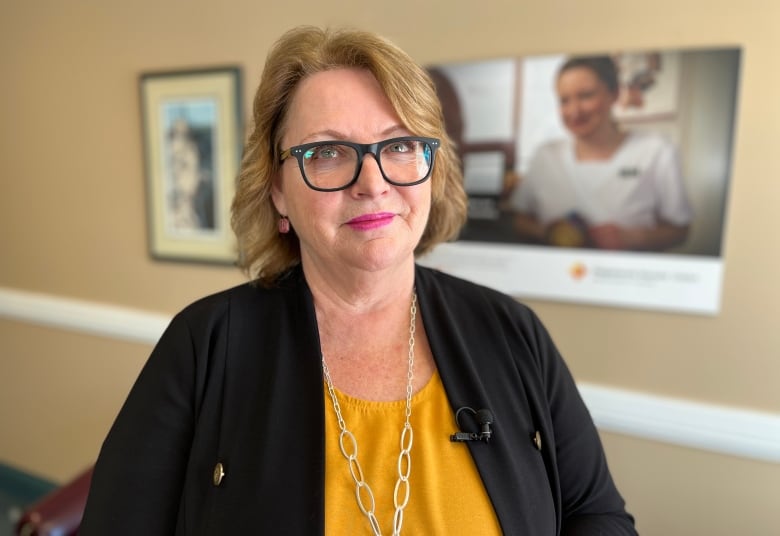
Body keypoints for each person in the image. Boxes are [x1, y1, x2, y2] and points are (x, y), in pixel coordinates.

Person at [80, 26, 637, 535]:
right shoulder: (206, 344)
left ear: (430, 168)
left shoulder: (511, 332)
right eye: (327, 152)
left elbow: (596, 514)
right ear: (277, 189)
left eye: (398, 145)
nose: (372, 183)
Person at [511, 55, 692, 250]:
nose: (574, 111)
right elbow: (519, 220)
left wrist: (632, 238)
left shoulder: (656, 151)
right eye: (564, 100)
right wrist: (547, 232)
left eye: (586, 96)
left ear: (613, 94)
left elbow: (680, 230)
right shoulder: (545, 155)